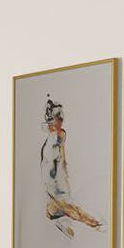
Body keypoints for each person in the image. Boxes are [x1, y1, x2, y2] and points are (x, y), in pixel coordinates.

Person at [39, 96, 103, 237]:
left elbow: (60, 164)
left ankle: (58, 216)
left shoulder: (58, 137)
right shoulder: (54, 140)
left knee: (68, 214)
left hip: (58, 195)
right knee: (91, 220)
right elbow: (50, 171)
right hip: (57, 193)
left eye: (61, 115)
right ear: (52, 119)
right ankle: (98, 225)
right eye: (58, 116)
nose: (62, 119)